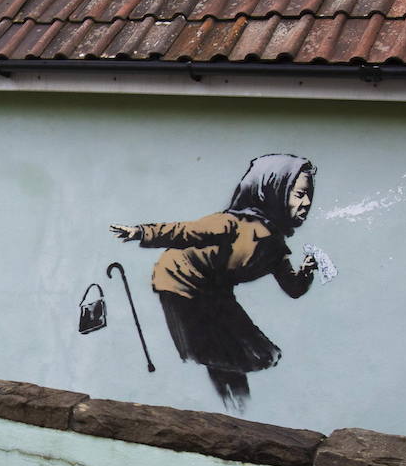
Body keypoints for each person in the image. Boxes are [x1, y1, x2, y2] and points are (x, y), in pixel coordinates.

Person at [111, 153, 319, 411]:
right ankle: (232, 410)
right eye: (299, 194)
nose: (307, 203)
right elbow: (184, 231)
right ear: (273, 191)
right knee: (219, 353)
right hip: (181, 282)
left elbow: (294, 288)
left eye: (309, 195)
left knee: (249, 350)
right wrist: (140, 232)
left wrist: (307, 271)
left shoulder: (275, 246)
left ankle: (238, 411)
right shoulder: (232, 223)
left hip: (216, 291)